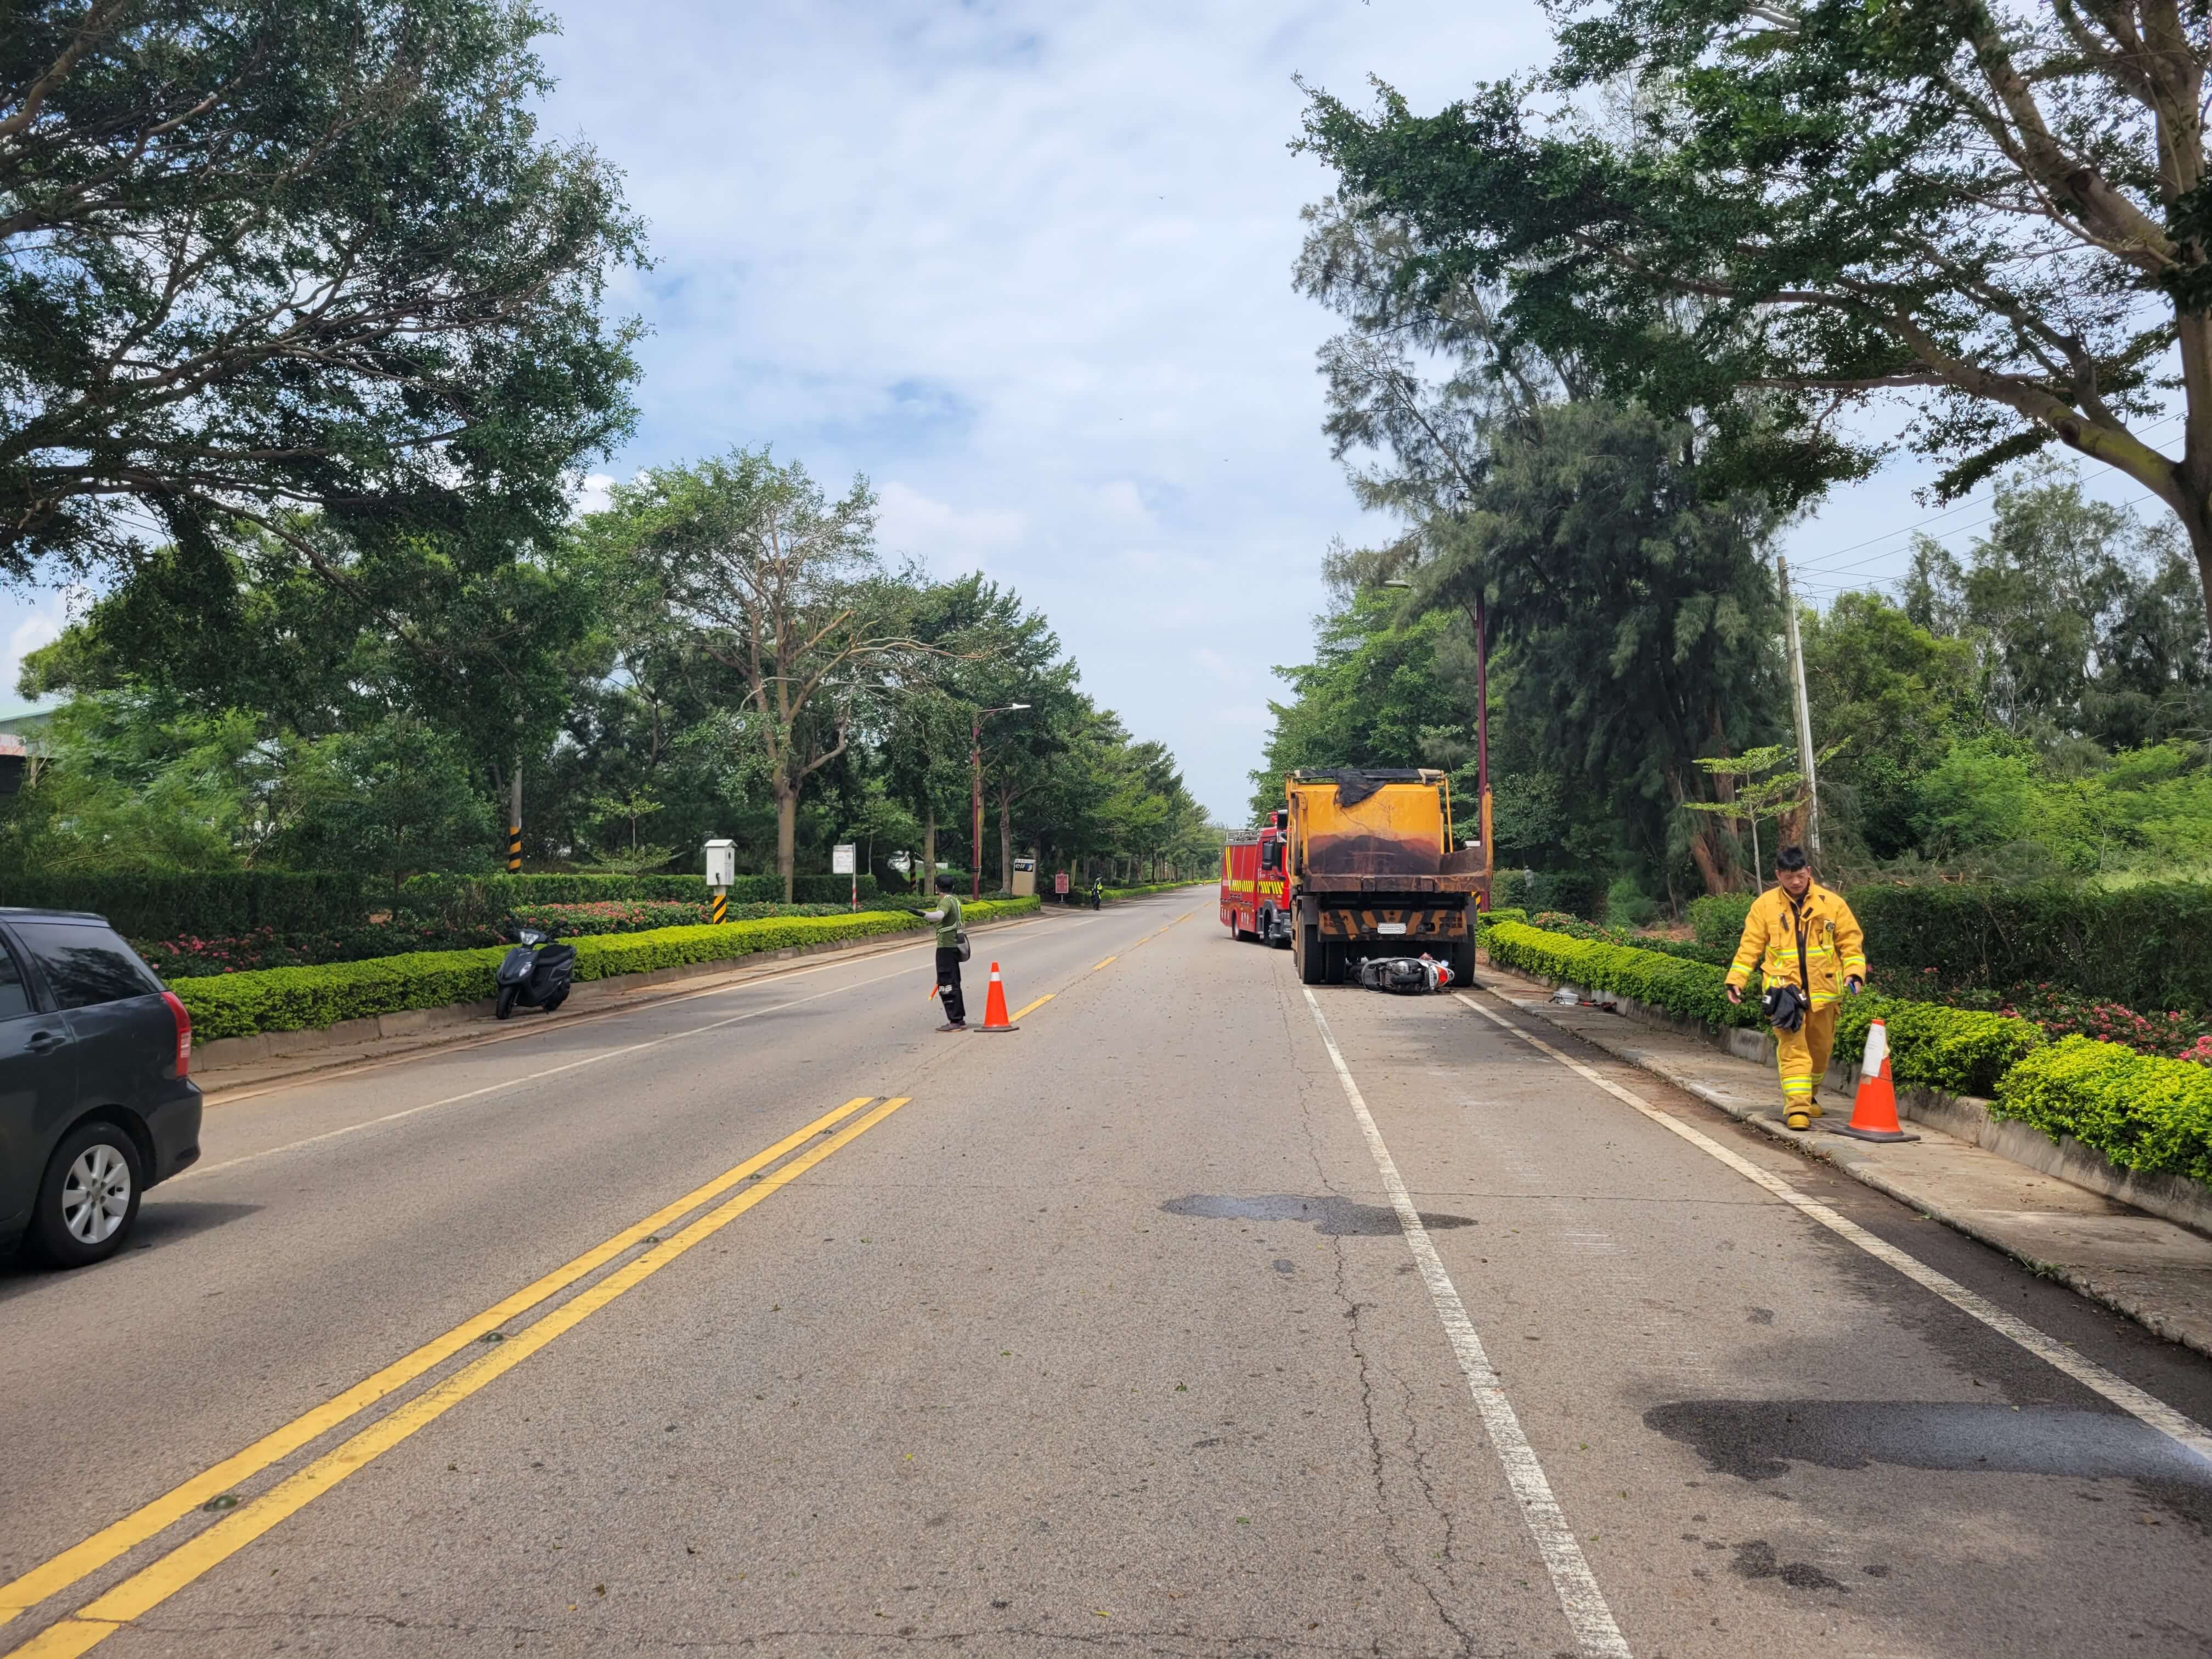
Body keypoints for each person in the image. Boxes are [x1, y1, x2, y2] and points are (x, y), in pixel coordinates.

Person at [1724, 845, 1867, 1132]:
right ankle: (1797, 1107)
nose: (1796, 882)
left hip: (1825, 993)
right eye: (1789, 877)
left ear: (1809, 872)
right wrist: (1736, 980)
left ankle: (1810, 1094)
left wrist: (1855, 973)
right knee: (1793, 1049)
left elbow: (1850, 943)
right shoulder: (1764, 906)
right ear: (1778, 875)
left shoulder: (1832, 904)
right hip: (1783, 992)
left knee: (1821, 1049)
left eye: (1800, 876)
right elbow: (1750, 947)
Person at [923, 874, 966, 1031]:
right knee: (954, 981)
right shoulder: (955, 900)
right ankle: (959, 1018)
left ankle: (954, 1021)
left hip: (946, 947)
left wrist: (923, 915)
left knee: (946, 983)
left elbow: (939, 915)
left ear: (937, 888)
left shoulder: (946, 901)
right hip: (954, 945)